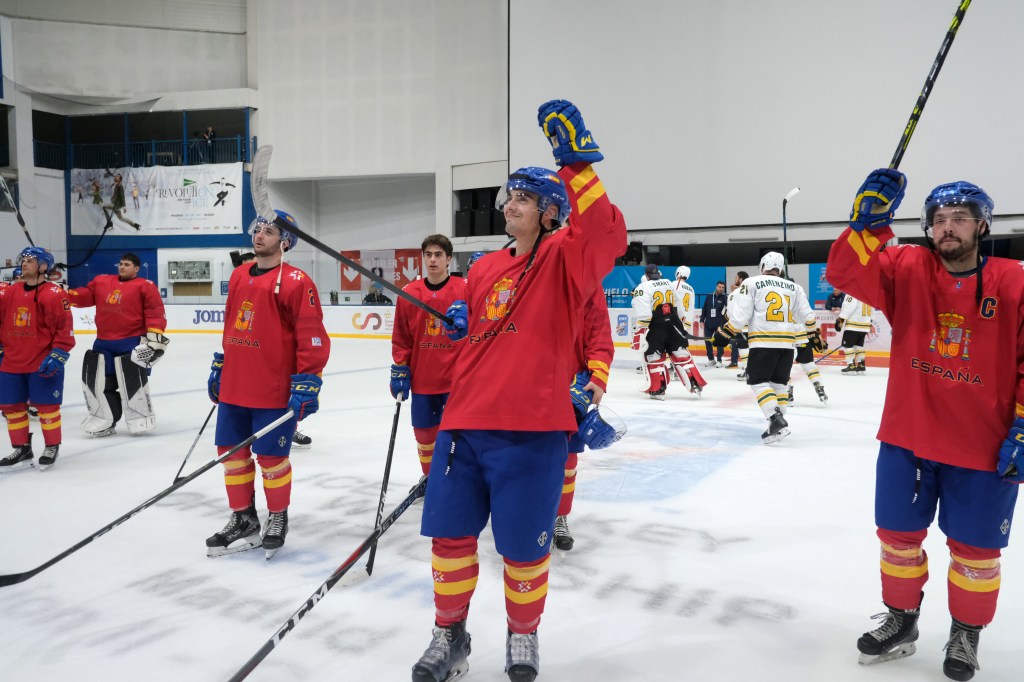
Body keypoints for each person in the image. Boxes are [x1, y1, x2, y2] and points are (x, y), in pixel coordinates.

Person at [412, 99, 625, 682]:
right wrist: (468, 324)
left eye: (523, 197)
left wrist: (577, 163)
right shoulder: (480, 268)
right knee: (450, 541)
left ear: (550, 211)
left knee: (525, 552)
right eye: (508, 196)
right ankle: (449, 633)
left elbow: (605, 234)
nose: (509, 204)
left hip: (532, 432)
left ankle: (522, 636)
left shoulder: (564, 258)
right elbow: (487, 326)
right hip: (464, 424)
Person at [828, 170, 1024, 681]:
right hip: (908, 439)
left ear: (983, 225)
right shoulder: (906, 266)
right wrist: (865, 226)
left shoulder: (1014, 280)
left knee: (977, 554)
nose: (947, 227)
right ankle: (902, 620)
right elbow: (846, 273)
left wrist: (1023, 428)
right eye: (938, 219)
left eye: (960, 217)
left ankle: (965, 634)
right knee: (896, 538)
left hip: (983, 448)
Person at [205, 210, 330, 559]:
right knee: (230, 456)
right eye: (257, 229)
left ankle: (277, 516)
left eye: (269, 231)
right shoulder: (240, 274)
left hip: (273, 389)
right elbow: (232, 324)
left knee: (272, 459)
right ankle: (243, 518)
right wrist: (222, 363)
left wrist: (308, 380)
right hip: (235, 387)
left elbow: (312, 335)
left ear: (285, 241)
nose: (260, 235)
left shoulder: (296, 280)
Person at [716, 252, 819, 444]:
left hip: (763, 342)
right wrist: (814, 334)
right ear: (780, 268)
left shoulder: (752, 282)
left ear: (763, 265)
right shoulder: (795, 287)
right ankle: (778, 427)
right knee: (780, 384)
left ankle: (774, 418)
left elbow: (741, 315)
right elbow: (808, 316)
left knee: (758, 382)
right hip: (788, 345)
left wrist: (725, 332)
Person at [390, 234, 467, 479]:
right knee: (424, 433)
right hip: (424, 378)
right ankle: (429, 478)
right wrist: (400, 368)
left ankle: (457, 479)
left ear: (449, 260)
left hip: (458, 380)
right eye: (428, 255)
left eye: (438, 255)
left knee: (458, 434)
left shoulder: (465, 290)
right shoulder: (410, 293)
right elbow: (401, 335)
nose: (432, 260)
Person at [67, 253, 168, 436]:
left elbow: (155, 312)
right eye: (121, 264)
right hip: (103, 343)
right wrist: (64, 294)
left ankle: (140, 418)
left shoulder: (145, 286)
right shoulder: (102, 282)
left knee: (131, 383)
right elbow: (84, 297)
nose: (122, 267)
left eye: (127, 264)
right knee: (102, 384)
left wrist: (154, 337)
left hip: (131, 341)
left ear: (136, 268)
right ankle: (107, 420)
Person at [0, 247, 75, 472]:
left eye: (31, 260)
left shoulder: (54, 293)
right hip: (12, 360)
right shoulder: (10, 292)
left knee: (47, 407)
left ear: (44, 266)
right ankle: (22, 448)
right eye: (23, 260)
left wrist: (59, 353)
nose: (24, 263)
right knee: (12, 407)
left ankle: (51, 446)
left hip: (41, 360)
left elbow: (64, 328)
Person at [556, 284, 615, 552]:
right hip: (525, 385)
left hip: (568, 385)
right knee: (523, 457)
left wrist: (598, 377)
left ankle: (559, 517)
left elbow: (599, 337)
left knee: (566, 461)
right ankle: (525, 515)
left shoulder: (587, 286)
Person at [631, 264, 706, 399]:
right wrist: (681, 323)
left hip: (656, 325)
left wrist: (640, 333)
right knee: (681, 354)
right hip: (674, 323)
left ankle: (658, 389)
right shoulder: (668, 283)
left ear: (647, 276)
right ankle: (695, 383)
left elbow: (644, 315)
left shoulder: (642, 287)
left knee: (654, 357)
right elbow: (679, 305)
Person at [788, 280, 828, 405]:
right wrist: (814, 333)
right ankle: (820, 388)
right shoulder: (801, 298)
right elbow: (809, 317)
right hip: (803, 338)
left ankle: (787, 394)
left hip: (787, 339)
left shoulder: (781, 297)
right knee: (809, 366)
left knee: (784, 368)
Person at [836, 293, 874, 375]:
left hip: (853, 324)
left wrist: (841, 318)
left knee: (847, 345)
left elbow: (848, 306)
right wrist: (870, 323)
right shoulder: (869, 294)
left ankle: (851, 365)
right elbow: (872, 310)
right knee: (858, 346)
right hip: (864, 325)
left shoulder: (852, 292)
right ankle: (861, 365)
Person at [699, 281, 728, 367]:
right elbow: (704, 308)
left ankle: (719, 360)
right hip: (708, 323)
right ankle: (711, 359)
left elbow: (729, 309)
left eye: (723, 287)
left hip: (719, 323)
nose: (721, 289)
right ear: (716, 287)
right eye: (720, 287)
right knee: (707, 341)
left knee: (719, 341)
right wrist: (701, 320)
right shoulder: (709, 296)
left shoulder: (724, 297)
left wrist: (725, 319)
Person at [726, 271, 749, 370]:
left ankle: (747, 370)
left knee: (743, 348)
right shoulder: (752, 290)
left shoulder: (734, 294)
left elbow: (730, 313)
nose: (735, 279)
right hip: (755, 326)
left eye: (736, 277)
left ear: (740, 279)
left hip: (741, 327)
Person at [672, 265, 697, 336]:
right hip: (687, 320)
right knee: (682, 342)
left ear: (678, 273)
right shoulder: (691, 289)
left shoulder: (674, 284)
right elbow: (692, 305)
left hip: (676, 319)